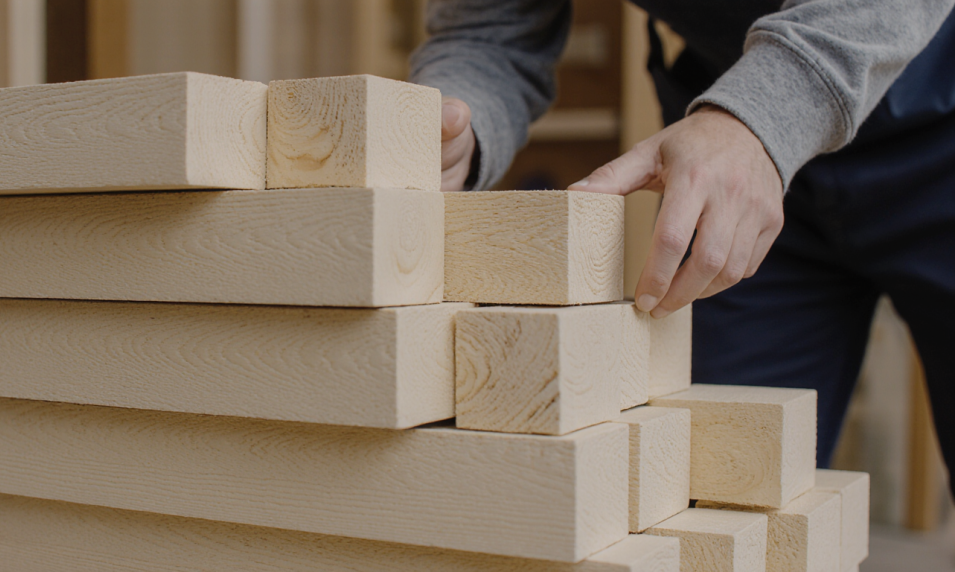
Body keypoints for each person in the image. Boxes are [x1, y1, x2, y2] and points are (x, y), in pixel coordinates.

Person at [409, 0, 955, 494]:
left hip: (918, 121)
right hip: (729, 159)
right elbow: (488, 29)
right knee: (713, 491)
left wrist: (759, 117)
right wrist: (456, 125)